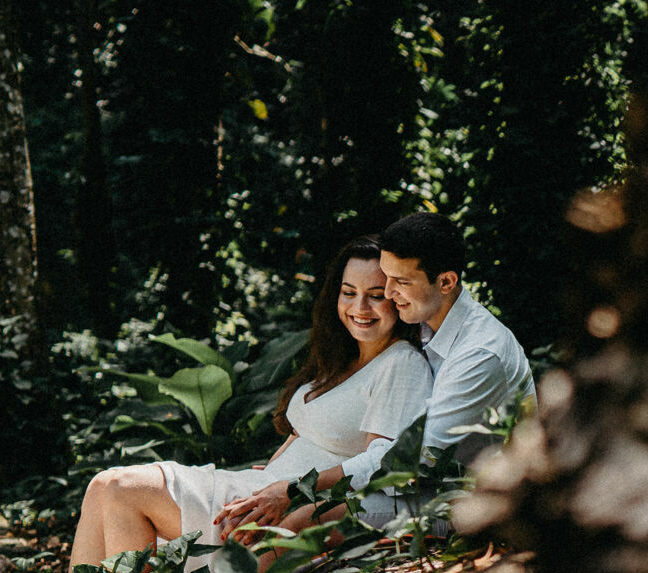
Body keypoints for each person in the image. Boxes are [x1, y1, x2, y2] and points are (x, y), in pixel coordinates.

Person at [1, 235, 432, 573]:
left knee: (122, 490)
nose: (360, 307)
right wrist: (269, 475)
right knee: (104, 486)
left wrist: (287, 491)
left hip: (292, 502)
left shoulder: (400, 364)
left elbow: (383, 460)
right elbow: (307, 434)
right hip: (263, 485)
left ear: (399, 298)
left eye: (376, 294)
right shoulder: (341, 360)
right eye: (349, 292)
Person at [225, 211, 530, 535]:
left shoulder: (479, 354)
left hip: (467, 500)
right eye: (387, 278)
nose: (388, 292)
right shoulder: (426, 323)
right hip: (422, 484)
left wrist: (294, 486)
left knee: (308, 515)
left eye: (401, 282)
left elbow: (409, 462)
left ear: (446, 282)